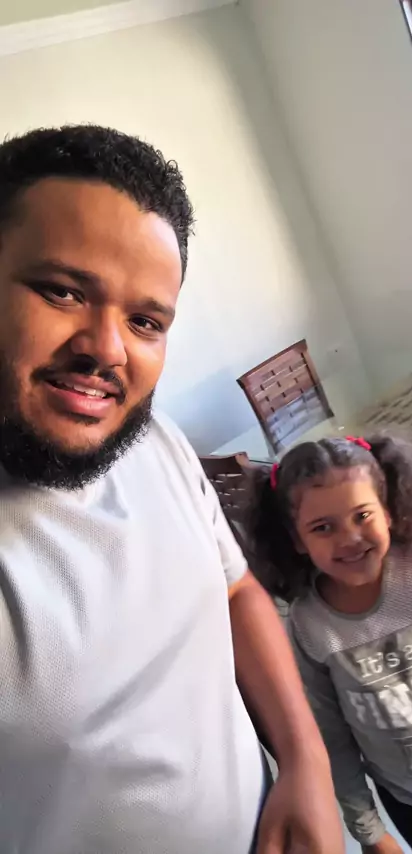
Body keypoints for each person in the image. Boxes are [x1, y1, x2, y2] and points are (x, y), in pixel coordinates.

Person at [0, 125, 344, 854]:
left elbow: (236, 590)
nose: (107, 349)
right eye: (62, 291)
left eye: (145, 321)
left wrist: (305, 759)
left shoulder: (154, 440)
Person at [246, 435, 412, 854]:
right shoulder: (309, 625)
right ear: (297, 540)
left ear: (387, 511)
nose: (350, 538)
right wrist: (368, 830)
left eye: (362, 515)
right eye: (323, 527)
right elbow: (331, 736)